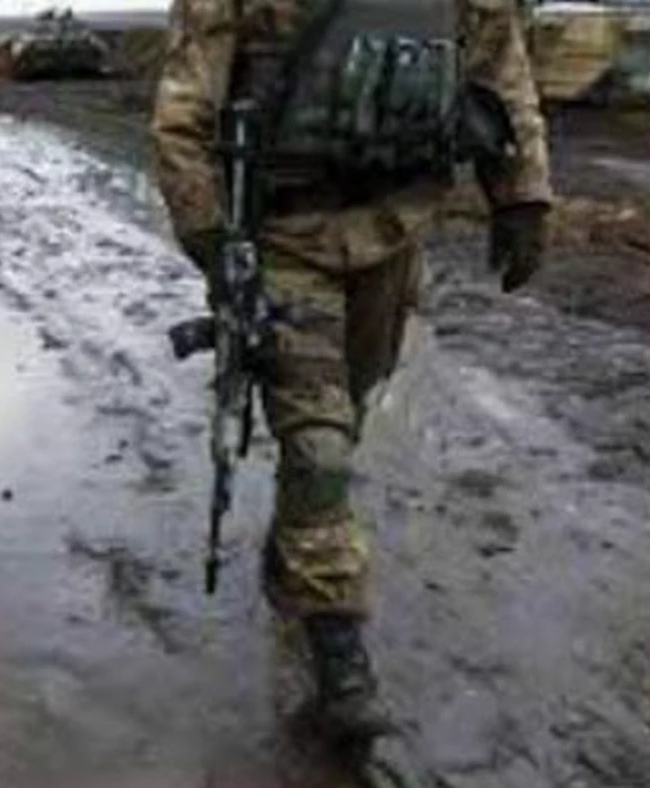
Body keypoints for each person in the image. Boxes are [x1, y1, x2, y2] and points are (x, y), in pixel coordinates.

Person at [151, 0, 551, 746]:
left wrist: (521, 194)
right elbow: (182, 115)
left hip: (395, 234)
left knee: (348, 408)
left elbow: (499, 63)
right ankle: (341, 657)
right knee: (318, 439)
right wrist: (214, 243)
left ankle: (299, 548)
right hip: (281, 235)